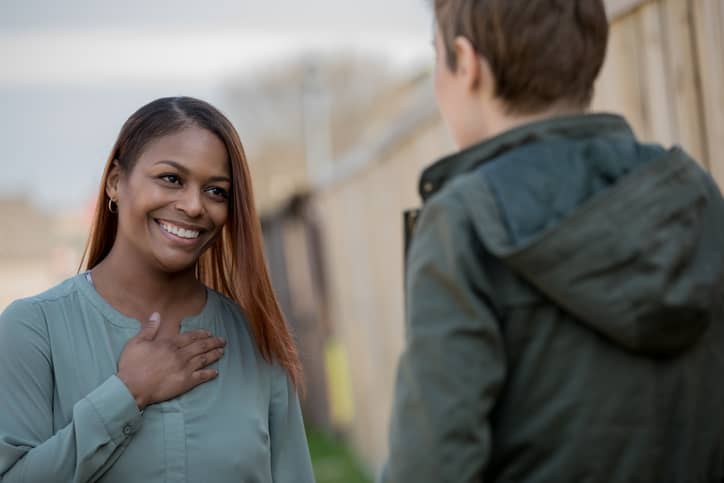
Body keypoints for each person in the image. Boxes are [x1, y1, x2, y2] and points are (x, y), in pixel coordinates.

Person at [380, 1, 724, 481]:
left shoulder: (463, 224)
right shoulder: (696, 195)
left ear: (467, 62)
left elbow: (432, 467)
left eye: (436, 55)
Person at [0, 97, 315, 482]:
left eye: (216, 191)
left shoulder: (256, 339)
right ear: (116, 182)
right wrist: (126, 394)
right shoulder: (32, 330)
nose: (194, 205)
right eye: (171, 179)